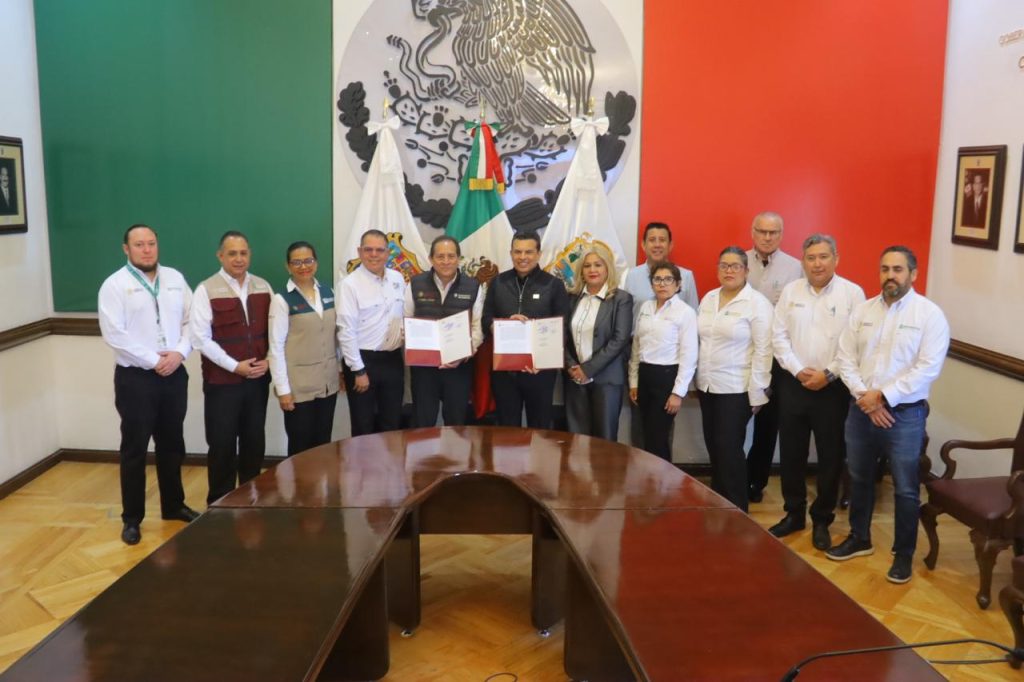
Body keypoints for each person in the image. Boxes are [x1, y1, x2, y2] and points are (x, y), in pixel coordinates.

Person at [827, 245, 949, 584]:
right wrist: (865, 397)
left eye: (897, 269)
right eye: (885, 269)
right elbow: (845, 358)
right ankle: (860, 538)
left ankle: (903, 554)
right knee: (859, 478)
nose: (890, 276)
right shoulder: (863, 311)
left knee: (906, 488)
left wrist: (882, 396)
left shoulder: (929, 315)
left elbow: (927, 368)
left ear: (913, 273)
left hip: (905, 416)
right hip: (861, 409)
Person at [98, 224, 199, 545]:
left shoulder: (175, 278)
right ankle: (132, 519)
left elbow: (193, 320)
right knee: (135, 449)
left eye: (151, 243)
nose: (146, 250)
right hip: (136, 378)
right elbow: (115, 335)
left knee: (172, 444)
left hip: (174, 373)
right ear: (126, 249)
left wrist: (179, 353)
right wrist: (155, 360)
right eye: (139, 244)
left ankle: (173, 505)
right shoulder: (114, 285)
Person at [767, 234, 865, 550]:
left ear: (836, 258)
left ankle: (822, 519)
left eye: (824, 257)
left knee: (830, 456)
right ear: (803, 261)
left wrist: (829, 374)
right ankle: (794, 514)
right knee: (791, 453)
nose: (817, 264)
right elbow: (778, 336)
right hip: (793, 384)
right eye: (811, 258)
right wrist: (797, 370)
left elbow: (855, 344)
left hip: (833, 388)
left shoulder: (853, 294)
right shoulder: (791, 291)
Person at [191, 230, 273, 505]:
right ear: (220, 256)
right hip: (222, 384)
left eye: (243, 253)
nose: (239, 259)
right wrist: (234, 366)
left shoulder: (263, 286)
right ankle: (219, 504)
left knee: (254, 441)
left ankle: (250, 498)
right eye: (232, 253)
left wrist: (269, 360)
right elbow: (200, 338)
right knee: (222, 443)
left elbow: (276, 330)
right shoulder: (206, 289)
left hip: (257, 381)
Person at [695, 246, 773, 512]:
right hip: (707, 386)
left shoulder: (757, 304)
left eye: (735, 266)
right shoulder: (708, 298)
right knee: (715, 448)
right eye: (724, 265)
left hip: (736, 389)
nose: (729, 271)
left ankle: (737, 512)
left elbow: (764, 350)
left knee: (729, 451)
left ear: (746, 271)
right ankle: (719, 507)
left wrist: (758, 392)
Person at [483, 230, 570, 429]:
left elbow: (562, 327)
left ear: (538, 254)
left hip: (540, 371)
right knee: (507, 428)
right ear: (511, 253)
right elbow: (486, 319)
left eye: (528, 252)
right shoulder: (498, 282)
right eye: (517, 252)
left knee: (540, 429)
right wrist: (502, 326)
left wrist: (543, 361)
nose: (522, 257)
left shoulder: (553, 285)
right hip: (505, 371)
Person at [744, 211, 803, 503]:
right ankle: (733, 475)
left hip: (778, 357)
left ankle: (756, 481)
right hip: (742, 353)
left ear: (781, 235)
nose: (767, 238)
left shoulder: (796, 268)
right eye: (762, 231)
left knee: (768, 423)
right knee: (736, 418)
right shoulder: (739, 261)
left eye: (773, 232)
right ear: (753, 232)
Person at [267, 241, 339, 456]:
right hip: (298, 387)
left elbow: (335, 336)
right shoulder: (281, 300)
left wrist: (340, 370)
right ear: (288, 266)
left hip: (328, 383)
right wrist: (283, 390)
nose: (303, 266)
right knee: (301, 447)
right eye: (296, 262)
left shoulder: (328, 292)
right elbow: (275, 347)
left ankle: (321, 481)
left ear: (316, 263)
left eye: (308, 260)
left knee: (323, 443)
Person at [404, 235, 483, 427]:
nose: (446, 261)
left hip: (459, 367)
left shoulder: (473, 286)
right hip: (424, 369)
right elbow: (406, 322)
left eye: (451, 256)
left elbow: (477, 327)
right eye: (440, 256)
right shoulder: (415, 284)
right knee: (423, 422)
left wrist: (463, 354)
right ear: (431, 259)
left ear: (459, 259)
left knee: (456, 423)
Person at [337, 229, 406, 435]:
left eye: (379, 250)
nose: (374, 255)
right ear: (360, 252)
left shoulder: (398, 278)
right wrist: (358, 371)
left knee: (392, 423)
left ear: (388, 253)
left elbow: (404, 316)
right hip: (363, 361)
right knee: (363, 426)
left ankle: (389, 459)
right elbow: (346, 331)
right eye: (368, 250)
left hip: (393, 360)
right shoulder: (349, 285)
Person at [628, 262, 697, 460]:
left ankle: (663, 478)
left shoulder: (685, 312)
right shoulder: (646, 307)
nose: (662, 284)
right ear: (651, 284)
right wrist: (634, 382)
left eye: (668, 279)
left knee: (658, 437)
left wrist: (678, 393)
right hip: (645, 375)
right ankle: (648, 476)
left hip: (667, 378)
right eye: (657, 279)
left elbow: (689, 355)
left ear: (678, 284)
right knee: (646, 434)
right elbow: (637, 347)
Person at [565, 243, 634, 440]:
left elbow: (620, 339)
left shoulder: (621, 299)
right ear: (581, 271)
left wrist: (587, 370)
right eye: (587, 266)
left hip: (607, 381)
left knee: (605, 441)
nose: (592, 270)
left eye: (598, 264)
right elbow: (562, 337)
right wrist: (571, 366)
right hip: (575, 380)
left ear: (607, 268)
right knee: (577, 440)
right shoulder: (572, 298)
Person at [622, 222, 699, 317]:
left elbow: (694, 316)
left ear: (670, 245)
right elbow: (625, 315)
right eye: (652, 240)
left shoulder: (686, 276)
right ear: (643, 245)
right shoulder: (632, 275)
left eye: (662, 240)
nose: (657, 245)